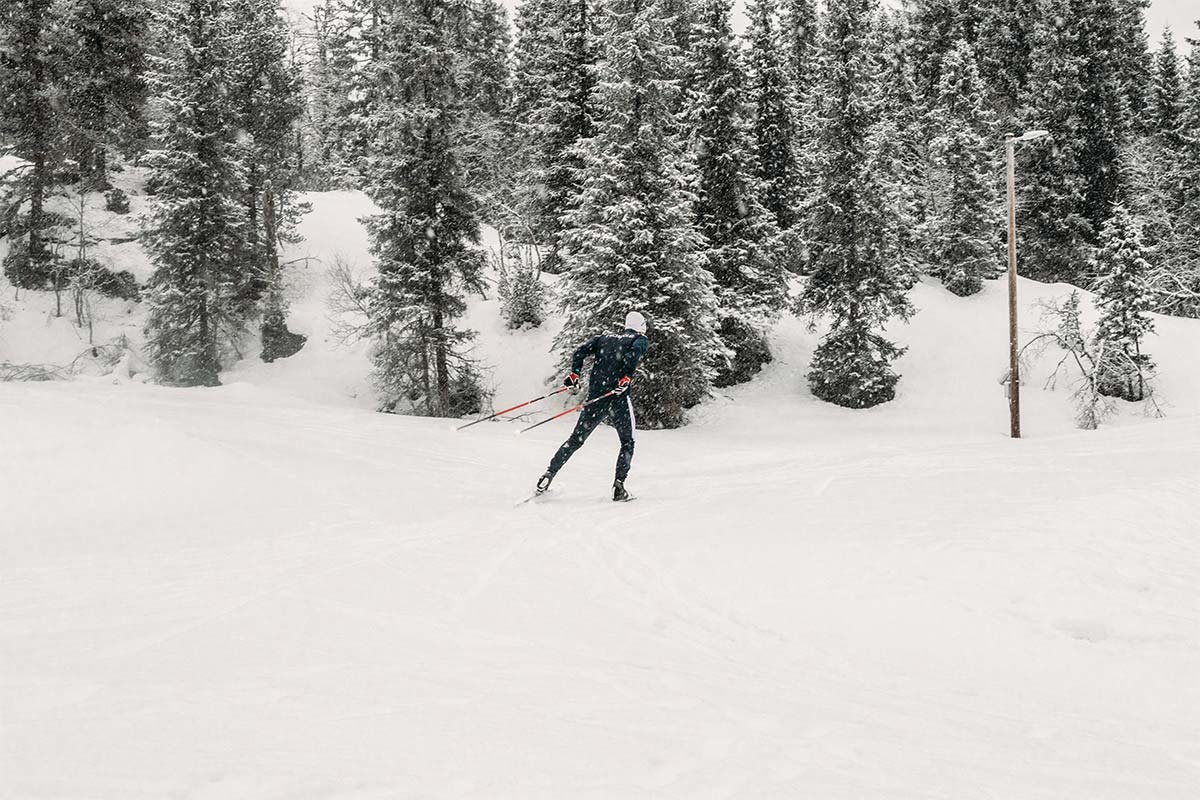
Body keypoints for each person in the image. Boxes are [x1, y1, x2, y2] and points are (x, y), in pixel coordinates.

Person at [536, 311, 649, 501]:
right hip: (618, 398)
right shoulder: (640, 339)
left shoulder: (603, 338)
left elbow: (579, 352)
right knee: (627, 442)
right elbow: (633, 355)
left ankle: (549, 474)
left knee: (575, 440)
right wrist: (626, 377)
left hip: (596, 398)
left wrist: (575, 374)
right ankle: (619, 486)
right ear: (641, 325)